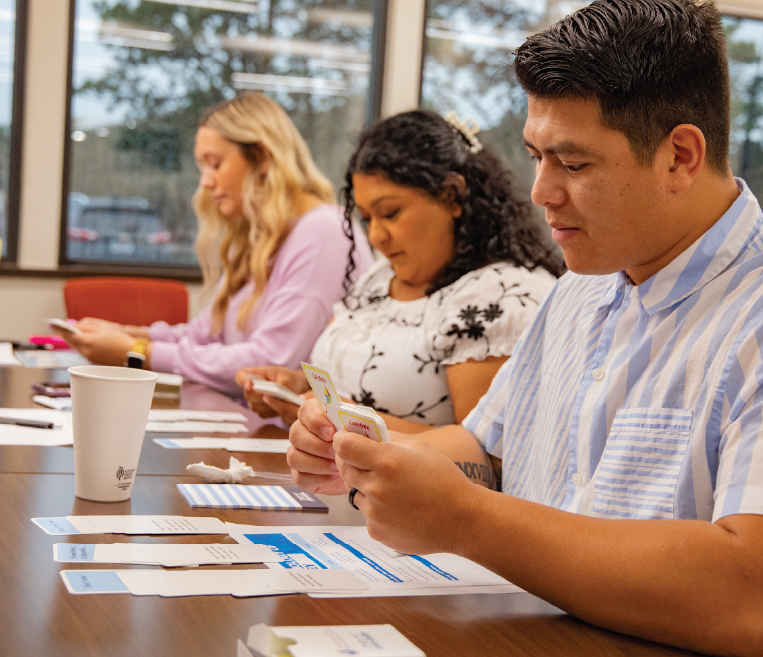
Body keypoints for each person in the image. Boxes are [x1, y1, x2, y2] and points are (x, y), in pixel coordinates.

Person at [287, 0, 763, 657]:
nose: (540, 191)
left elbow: (762, 606)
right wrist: (376, 453)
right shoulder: (582, 289)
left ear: (680, 156)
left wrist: (465, 517)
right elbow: (488, 448)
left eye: (573, 163)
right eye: (536, 155)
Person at [238, 110, 563, 433]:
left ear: (452, 197)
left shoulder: (500, 295)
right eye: (367, 219)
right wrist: (294, 388)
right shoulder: (378, 281)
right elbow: (342, 383)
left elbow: (483, 456)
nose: (377, 236)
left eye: (390, 213)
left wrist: (350, 421)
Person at [58, 93, 372, 394]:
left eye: (215, 164)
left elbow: (269, 363)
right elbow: (206, 335)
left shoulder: (325, 231)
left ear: (261, 158)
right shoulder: (257, 235)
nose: (206, 182)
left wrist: (136, 351)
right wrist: (125, 334)